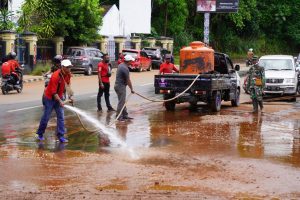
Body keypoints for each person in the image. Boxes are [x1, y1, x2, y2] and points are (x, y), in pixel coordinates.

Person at [36, 59, 74, 143]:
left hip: (59, 97)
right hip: (49, 98)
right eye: (68, 67)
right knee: (46, 117)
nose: (69, 69)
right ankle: (40, 134)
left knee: (61, 117)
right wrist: (61, 101)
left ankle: (61, 136)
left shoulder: (68, 74)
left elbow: (68, 86)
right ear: (63, 67)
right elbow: (53, 92)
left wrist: (71, 96)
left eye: (70, 67)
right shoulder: (55, 76)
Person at [114, 54, 135, 122]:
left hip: (118, 86)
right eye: (131, 61)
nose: (132, 62)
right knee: (121, 102)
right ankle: (118, 116)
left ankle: (125, 115)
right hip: (120, 86)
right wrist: (131, 89)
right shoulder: (125, 68)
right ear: (128, 61)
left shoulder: (121, 65)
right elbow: (128, 80)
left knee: (123, 101)